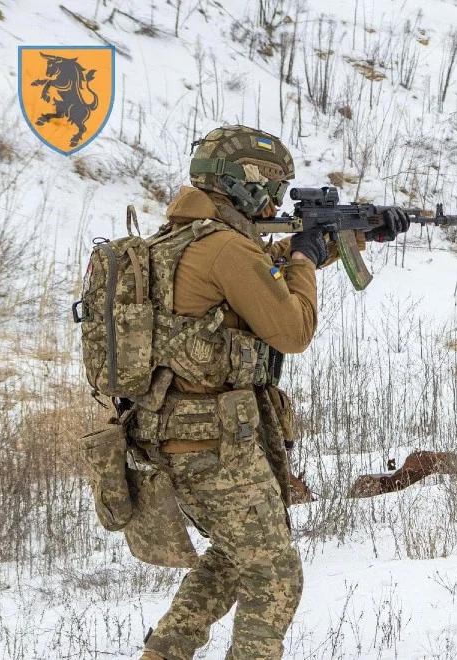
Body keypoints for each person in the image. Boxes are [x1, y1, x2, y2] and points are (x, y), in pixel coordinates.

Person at [135, 125, 349, 659]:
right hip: (211, 445)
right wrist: (302, 261)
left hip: (173, 433)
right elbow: (291, 331)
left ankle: (163, 652)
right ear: (246, 182)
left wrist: (325, 246)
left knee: (233, 556)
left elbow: (250, 279)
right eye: (273, 186)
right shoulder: (226, 248)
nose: (276, 199)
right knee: (275, 572)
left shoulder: (179, 238)